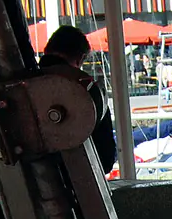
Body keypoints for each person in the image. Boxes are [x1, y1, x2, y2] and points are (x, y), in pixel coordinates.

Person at [37, 24, 116, 172]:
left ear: (46, 51)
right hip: (75, 181)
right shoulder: (89, 92)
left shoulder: (23, 84)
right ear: (80, 59)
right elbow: (105, 160)